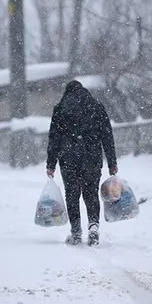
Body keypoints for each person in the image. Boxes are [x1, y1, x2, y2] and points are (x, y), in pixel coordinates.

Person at [46, 80, 118, 246]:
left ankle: (76, 232)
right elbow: (107, 136)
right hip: (92, 158)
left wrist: (51, 164)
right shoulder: (97, 107)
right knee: (91, 193)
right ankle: (93, 227)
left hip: (69, 158)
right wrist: (112, 162)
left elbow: (54, 139)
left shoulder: (60, 109)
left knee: (72, 195)